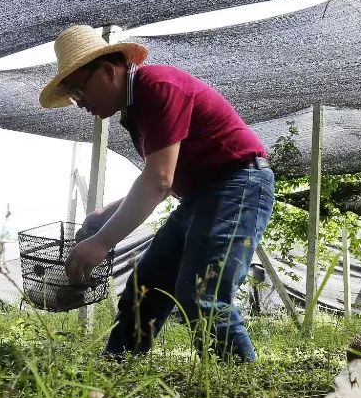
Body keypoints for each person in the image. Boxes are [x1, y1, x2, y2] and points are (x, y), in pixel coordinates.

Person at [41, 24, 274, 362]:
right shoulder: (138, 109)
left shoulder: (158, 87)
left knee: (202, 295)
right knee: (145, 288)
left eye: (78, 91)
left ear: (107, 71)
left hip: (238, 186)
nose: (79, 104)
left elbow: (158, 181)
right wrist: (104, 216)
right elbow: (163, 179)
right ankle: (118, 366)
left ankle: (240, 389)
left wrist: (103, 241)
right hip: (200, 196)